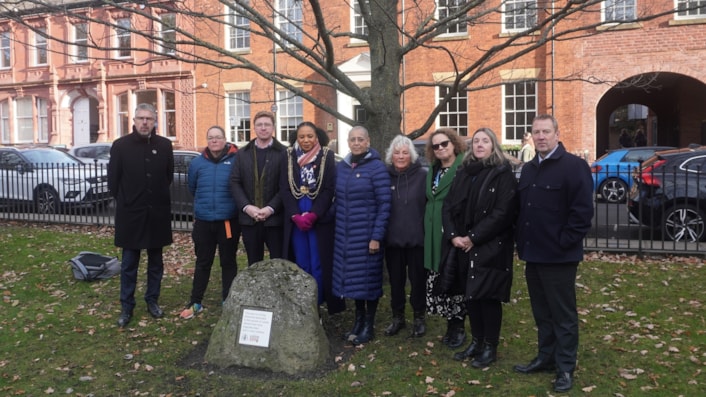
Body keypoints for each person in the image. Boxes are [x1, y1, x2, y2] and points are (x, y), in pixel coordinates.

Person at [514, 114, 593, 393]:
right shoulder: (530, 168)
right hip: (533, 255)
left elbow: (582, 213)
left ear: (557, 134)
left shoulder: (574, 167)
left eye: (546, 131)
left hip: (559, 256)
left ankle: (565, 368)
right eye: (536, 132)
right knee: (541, 312)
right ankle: (545, 358)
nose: (541, 136)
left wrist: (564, 242)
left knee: (563, 315)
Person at [438, 127, 517, 368]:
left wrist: (473, 236)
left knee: (487, 297)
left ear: (493, 145)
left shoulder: (502, 174)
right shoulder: (464, 172)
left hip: (490, 245)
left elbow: (503, 213)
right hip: (463, 245)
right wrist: (453, 236)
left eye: (485, 141)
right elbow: (449, 206)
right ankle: (477, 341)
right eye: (476, 141)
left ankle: (490, 346)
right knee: (471, 296)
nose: (479, 145)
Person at [108, 103, 174, 328]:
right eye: (140, 118)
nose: (144, 122)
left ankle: (152, 300)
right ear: (133, 120)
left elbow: (167, 177)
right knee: (129, 264)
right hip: (131, 216)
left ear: (155, 121)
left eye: (149, 118)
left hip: (157, 215)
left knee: (156, 262)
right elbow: (113, 182)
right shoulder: (120, 146)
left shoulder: (164, 145)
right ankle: (127, 306)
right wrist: (129, 202)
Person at [333, 125, 391, 345]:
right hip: (346, 236)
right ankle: (358, 320)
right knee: (355, 281)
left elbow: (385, 205)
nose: (356, 143)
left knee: (369, 281)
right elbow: (336, 200)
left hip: (367, 236)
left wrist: (376, 236)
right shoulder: (343, 167)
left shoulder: (376, 169)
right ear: (348, 142)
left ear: (368, 141)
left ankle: (369, 325)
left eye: (360, 139)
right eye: (352, 139)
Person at [280, 122, 345, 315]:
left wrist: (315, 214)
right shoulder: (288, 156)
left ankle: (317, 304)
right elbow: (284, 188)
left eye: (310, 136)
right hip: (296, 216)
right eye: (302, 137)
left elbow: (328, 189)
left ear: (316, 137)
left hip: (319, 215)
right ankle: (303, 304)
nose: (306, 140)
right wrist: (294, 215)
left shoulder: (327, 155)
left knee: (318, 262)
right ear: (296, 138)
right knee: (301, 261)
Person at [179, 126, 240, 319]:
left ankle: (228, 299)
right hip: (204, 222)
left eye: (218, 137)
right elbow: (192, 187)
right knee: (203, 262)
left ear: (225, 140)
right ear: (207, 140)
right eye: (211, 137)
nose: (214, 141)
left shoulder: (236, 160)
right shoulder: (197, 163)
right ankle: (195, 302)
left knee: (228, 262)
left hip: (228, 222)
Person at [423, 128, 468, 349]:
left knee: (454, 278)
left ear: (454, 144)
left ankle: (458, 324)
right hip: (432, 232)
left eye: (444, 144)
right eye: (436, 146)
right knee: (439, 276)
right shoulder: (432, 170)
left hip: (453, 230)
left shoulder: (463, 168)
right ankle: (449, 323)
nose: (440, 148)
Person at [382, 135, 427, 338]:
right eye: (397, 152)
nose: (401, 156)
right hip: (392, 240)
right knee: (396, 281)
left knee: (418, 281)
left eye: (405, 152)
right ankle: (398, 317)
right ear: (392, 155)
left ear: (412, 155)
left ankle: (419, 317)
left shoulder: (423, 176)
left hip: (417, 240)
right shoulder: (384, 177)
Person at [229, 110, 286, 265]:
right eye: (259, 125)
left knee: (278, 263)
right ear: (254, 127)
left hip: (275, 220)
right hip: (249, 220)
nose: (263, 128)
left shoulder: (284, 153)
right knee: (253, 264)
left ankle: (277, 290)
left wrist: (270, 208)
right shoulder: (242, 153)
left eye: (267, 124)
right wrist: (247, 207)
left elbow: (286, 186)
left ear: (273, 127)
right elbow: (235, 182)